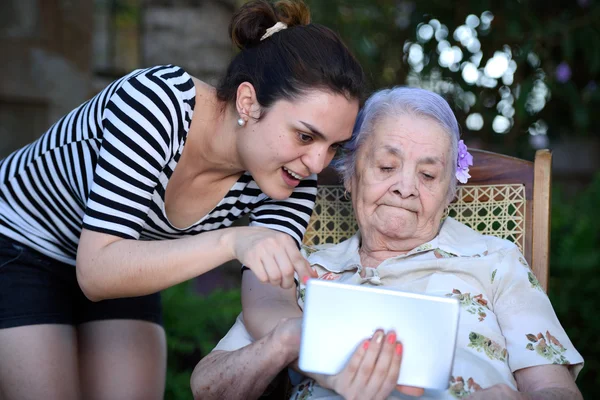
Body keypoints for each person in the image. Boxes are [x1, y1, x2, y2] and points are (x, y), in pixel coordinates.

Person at [0, 1, 365, 398]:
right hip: (21, 245)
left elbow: (266, 301)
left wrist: (310, 343)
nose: (316, 163)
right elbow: (96, 271)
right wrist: (232, 241)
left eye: (333, 146)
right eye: (305, 136)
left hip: (127, 260)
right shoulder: (157, 105)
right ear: (248, 103)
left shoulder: (291, 174)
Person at [191, 87, 584, 400]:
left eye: (429, 175)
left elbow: (559, 392)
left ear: (450, 193)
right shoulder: (303, 268)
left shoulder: (495, 261)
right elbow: (207, 385)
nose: (406, 187)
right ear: (350, 175)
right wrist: (283, 343)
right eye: (386, 167)